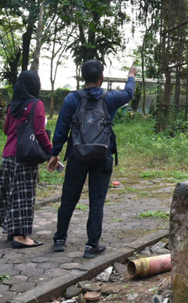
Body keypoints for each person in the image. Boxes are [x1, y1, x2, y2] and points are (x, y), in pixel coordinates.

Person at [47, 60, 136, 258]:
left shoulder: (72, 99)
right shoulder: (110, 98)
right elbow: (129, 93)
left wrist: (55, 153)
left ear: (82, 77)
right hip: (102, 155)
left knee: (69, 198)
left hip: (76, 155)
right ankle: (91, 245)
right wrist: (131, 75)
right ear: (101, 77)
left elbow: (62, 128)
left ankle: (60, 239)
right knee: (96, 200)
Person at [0, 70, 51, 248]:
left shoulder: (12, 105)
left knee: (9, 193)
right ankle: (20, 237)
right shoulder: (36, 104)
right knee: (23, 196)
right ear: (33, 85)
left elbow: (6, 129)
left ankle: (11, 231)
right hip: (25, 155)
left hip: (8, 155)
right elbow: (39, 132)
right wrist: (51, 151)